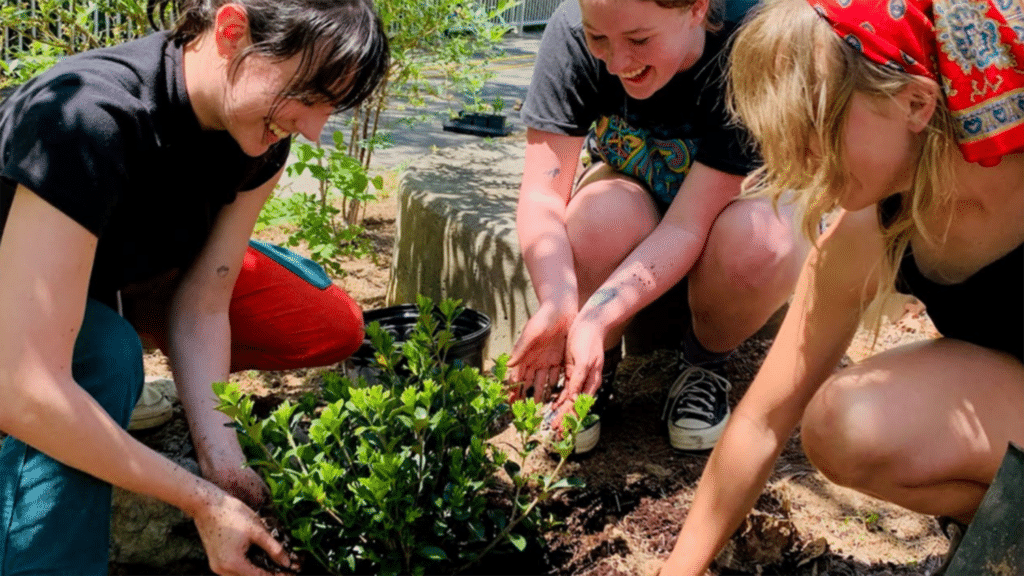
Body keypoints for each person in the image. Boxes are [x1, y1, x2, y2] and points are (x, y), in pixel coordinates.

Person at [0, 0, 388, 573]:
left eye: (329, 108)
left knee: (327, 322)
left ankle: (103, 365)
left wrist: (221, 461)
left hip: (116, 273)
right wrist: (196, 499)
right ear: (232, 31)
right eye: (307, 97)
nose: (314, 130)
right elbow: (20, 387)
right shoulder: (86, 116)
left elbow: (206, 300)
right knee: (106, 358)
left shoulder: (259, 138)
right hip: (19, 280)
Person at [658, 0, 1023, 573]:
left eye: (818, 131)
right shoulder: (871, 220)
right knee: (842, 423)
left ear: (916, 103)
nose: (802, 162)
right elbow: (761, 419)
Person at [507, 0, 808, 454]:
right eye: (598, 39)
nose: (617, 62)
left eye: (640, 40)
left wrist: (597, 312)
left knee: (761, 245)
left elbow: (688, 224)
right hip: (633, 179)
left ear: (696, 8)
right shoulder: (570, 29)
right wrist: (559, 304)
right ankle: (591, 367)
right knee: (597, 223)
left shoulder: (753, 41)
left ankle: (705, 363)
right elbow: (542, 194)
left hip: (732, 198)